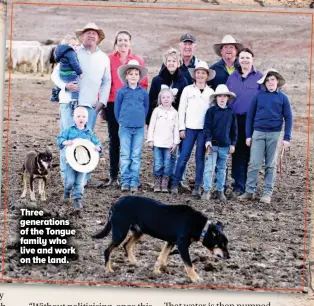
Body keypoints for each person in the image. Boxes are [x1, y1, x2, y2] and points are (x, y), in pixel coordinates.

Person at [51, 22, 111, 188]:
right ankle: (66, 177)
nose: (91, 35)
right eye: (87, 32)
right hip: (69, 103)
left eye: (94, 33)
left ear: (99, 38)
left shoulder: (103, 58)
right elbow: (55, 74)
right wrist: (65, 86)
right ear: (82, 36)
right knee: (67, 139)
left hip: (90, 106)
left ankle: (84, 177)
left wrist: (102, 102)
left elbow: (106, 82)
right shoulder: (72, 52)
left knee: (87, 142)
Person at [101, 30, 148, 187]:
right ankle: (114, 175)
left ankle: (129, 177)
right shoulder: (108, 60)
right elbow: (105, 82)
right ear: (115, 43)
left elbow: (144, 85)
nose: (123, 43)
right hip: (114, 103)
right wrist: (103, 105)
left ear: (130, 42)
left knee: (131, 142)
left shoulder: (137, 61)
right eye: (119, 40)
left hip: (132, 106)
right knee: (115, 139)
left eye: (125, 40)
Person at [238, 68, 293, 204]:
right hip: (258, 132)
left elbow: (289, 117)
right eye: (267, 80)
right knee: (254, 163)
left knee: (271, 165)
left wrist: (286, 138)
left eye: (273, 80)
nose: (270, 83)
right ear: (264, 83)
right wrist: (248, 135)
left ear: (277, 81)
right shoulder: (258, 96)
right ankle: (249, 191)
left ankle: (267, 193)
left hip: (275, 134)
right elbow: (250, 116)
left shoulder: (283, 98)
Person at [170, 61, 215, 197]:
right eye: (198, 72)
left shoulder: (210, 92)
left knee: (200, 157)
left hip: (203, 129)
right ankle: (175, 182)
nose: (200, 75)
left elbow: (212, 113)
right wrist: (181, 128)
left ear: (207, 75)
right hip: (189, 128)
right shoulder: (188, 90)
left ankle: (197, 186)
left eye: (203, 73)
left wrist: (209, 133)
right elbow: (182, 109)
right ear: (194, 75)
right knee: (183, 156)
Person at [226, 48, 263, 198]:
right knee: (237, 153)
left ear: (252, 59)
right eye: (242, 58)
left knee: (251, 154)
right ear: (238, 60)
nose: (245, 60)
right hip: (236, 120)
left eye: (247, 57)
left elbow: (263, 99)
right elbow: (227, 99)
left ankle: (250, 186)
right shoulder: (232, 77)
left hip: (252, 120)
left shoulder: (259, 77)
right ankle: (238, 185)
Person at [57, 107, 103, 211]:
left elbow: (97, 143)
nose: (81, 118)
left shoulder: (89, 133)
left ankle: (77, 199)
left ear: (87, 119)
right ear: (74, 118)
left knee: (80, 182)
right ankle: (67, 192)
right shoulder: (69, 130)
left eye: (83, 116)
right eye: (78, 116)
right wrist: (65, 142)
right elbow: (60, 138)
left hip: (83, 163)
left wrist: (98, 148)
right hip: (71, 161)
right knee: (69, 181)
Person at [114, 59, 149, 192]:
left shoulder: (143, 92)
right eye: (131, 73)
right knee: (125, 155)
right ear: (126, 76)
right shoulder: (121, 92)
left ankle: (134, 181)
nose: (133, 76)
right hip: (125, 128)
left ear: (139, 77)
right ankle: (125, 181)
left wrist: (140, 120)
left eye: (136, 73)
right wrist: (122, 122)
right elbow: (117, 110)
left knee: (136, 155)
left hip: (139, 128)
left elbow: (145, 108)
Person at [202, 84, 238, 203]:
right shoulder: (211, 111)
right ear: (216, 98)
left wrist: (233, 143)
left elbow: (234, 130)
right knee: (209, 168)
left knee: (222, 168)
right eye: (219, 96)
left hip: (225, 145)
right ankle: (207, 189)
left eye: (224, 96)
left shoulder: (231, 113)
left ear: (228, 98)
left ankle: (220, 190)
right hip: (213, 145)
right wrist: (208, 141)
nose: (222, 98)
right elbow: (207, 127)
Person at [147, 88, 180, 193]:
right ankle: (157, 181)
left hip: (169, 144)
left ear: (173, 99)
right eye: (163, 97)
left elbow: (176, 128)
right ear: (160, 99)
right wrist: (150, 139)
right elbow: (151, 125)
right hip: (157, 142)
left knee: (167, 163)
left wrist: (175, 142)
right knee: (158, 163)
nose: (166, 99)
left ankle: (165, 182)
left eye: (168, 97)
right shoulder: (157, 111)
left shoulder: (174, 113)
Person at [146, 47, 188, 124]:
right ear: (165, 63)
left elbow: (183, 104)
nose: (171, 63)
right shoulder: (157, 80)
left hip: (175, 120)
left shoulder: (183, 81)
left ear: (178, 64)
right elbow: (151, 101)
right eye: (169, 61)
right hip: (158, 119)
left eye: (174, 61)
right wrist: (149, 122)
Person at [53, 35, 83, 102]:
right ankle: (74, 98)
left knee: (63, 79)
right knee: (75, 84)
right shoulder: (71, 53)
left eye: (76, 45)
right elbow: (74, 63)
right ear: (67, 45)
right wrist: (80, 72)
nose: (75, 47)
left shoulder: (62, 55)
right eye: (73, 45)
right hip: (66, 99)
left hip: (63, 74)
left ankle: (55, 94)